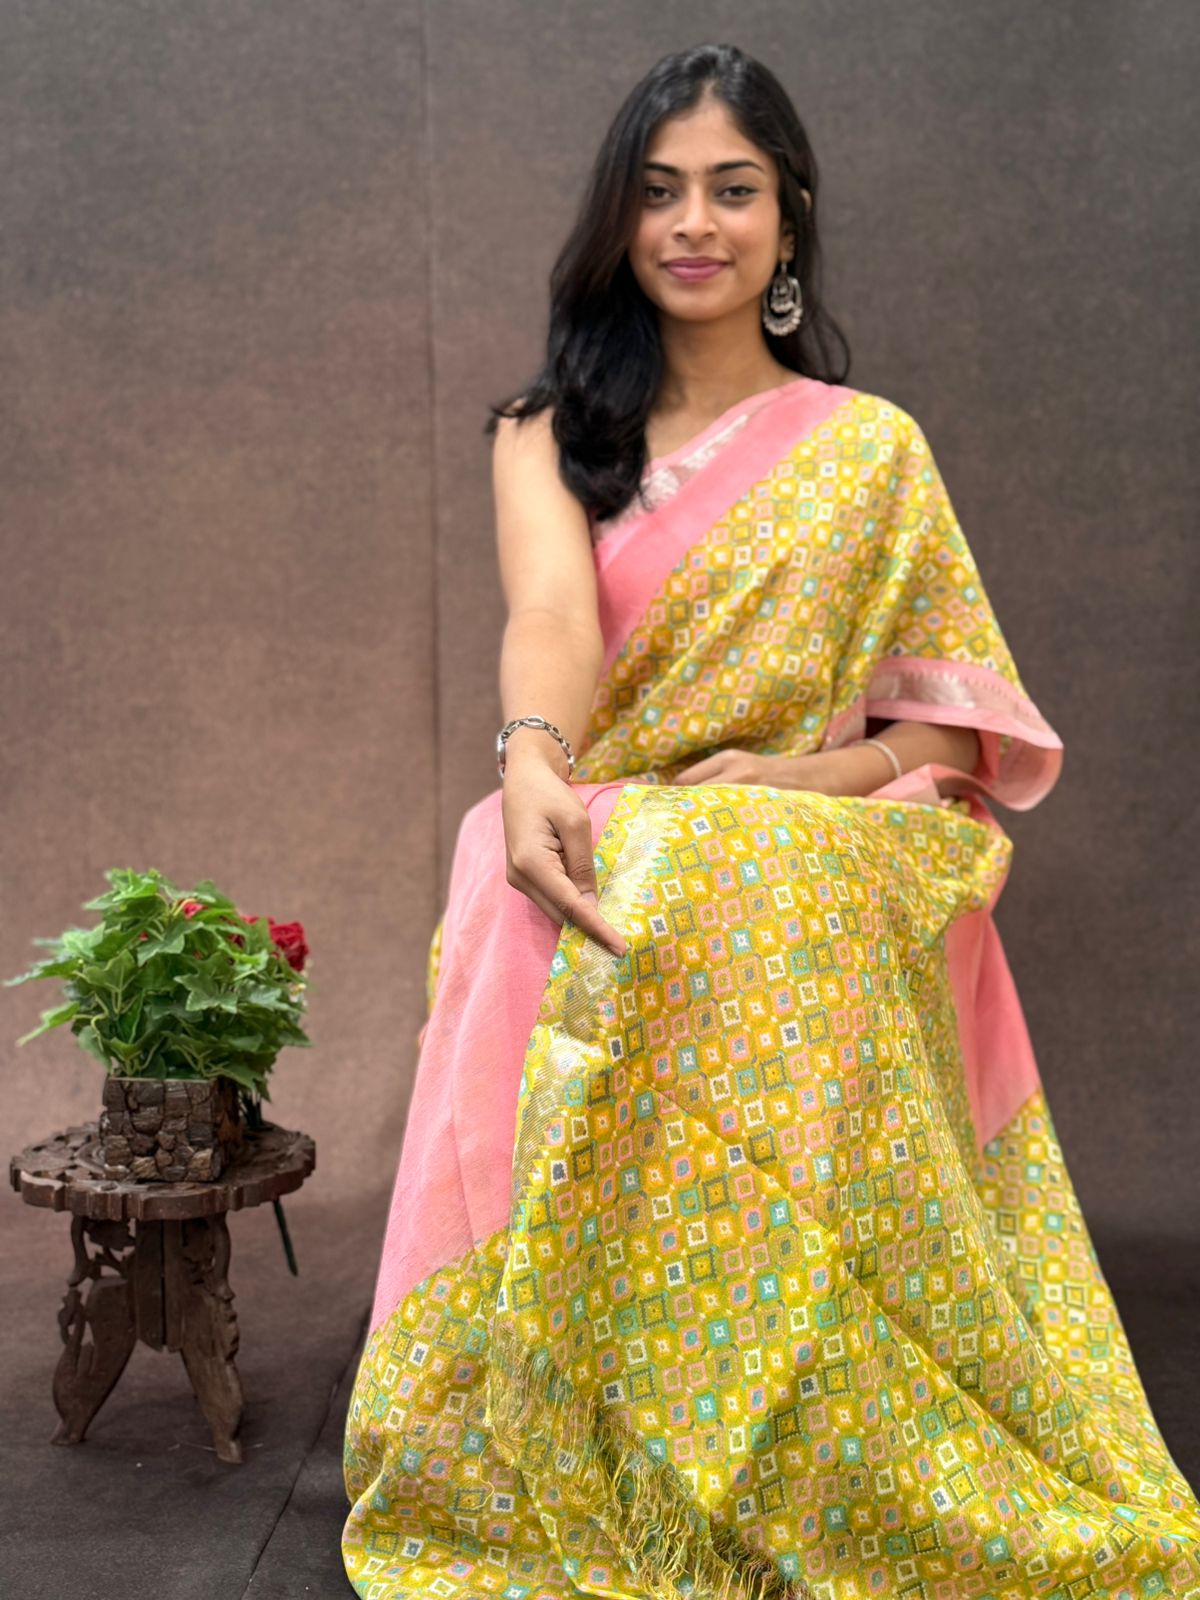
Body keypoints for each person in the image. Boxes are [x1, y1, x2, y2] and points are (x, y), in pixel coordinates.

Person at [341, 42, 1200, 1600]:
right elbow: (553, 615)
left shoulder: (870, 449)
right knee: (540, 848)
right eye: (658, 191)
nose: (694, 223)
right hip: (614, 797)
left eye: (731, 190)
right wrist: (533, 763)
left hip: (811, 824)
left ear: (788, 219)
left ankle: (794, 1418)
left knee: (717, 853)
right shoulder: (549, 429)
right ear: (617, 220)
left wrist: (805, 780)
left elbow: (950, 730)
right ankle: (583, 1419)